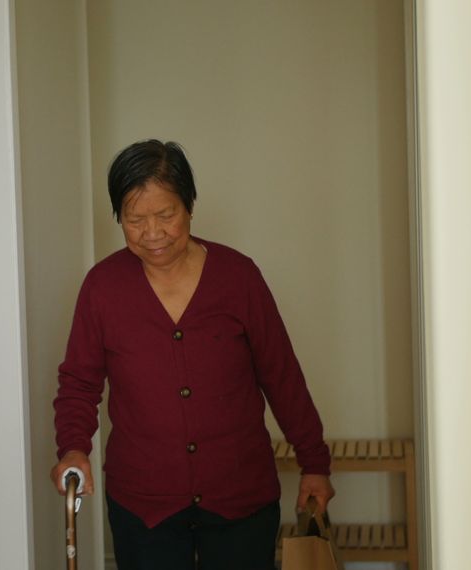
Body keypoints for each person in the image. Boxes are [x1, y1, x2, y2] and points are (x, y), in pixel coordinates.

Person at [50, 140, 335, 570]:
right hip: (143, 504)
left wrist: (313, 462)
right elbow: (79, 383)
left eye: (166, 215)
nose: (153, 233)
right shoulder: (102, 288)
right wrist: (72, 448)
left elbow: (281, 376)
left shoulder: (239, 278)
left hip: (241, 498)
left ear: (189, 207)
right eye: (135, 219)